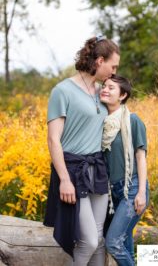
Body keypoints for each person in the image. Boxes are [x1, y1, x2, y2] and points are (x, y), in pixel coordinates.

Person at [43, 36, 120, 266]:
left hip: (97, 169)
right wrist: (64, 180)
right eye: (113, 66)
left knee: (98, 238)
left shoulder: (102, 92)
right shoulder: (62, 91)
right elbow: (53, 139)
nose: (114, 72)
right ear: (99, 61)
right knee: (87, 239)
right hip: (73, 171)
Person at [100, 74, 149, 266]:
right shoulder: (101, 123)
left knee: (113, 243)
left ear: (122, 95)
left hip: (133, 188)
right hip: (112, 194)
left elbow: (140, 157)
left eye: (111, 87)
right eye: (104, 86)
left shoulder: (133, 120)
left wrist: (142, 192)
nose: (105, 89)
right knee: (125, 245)